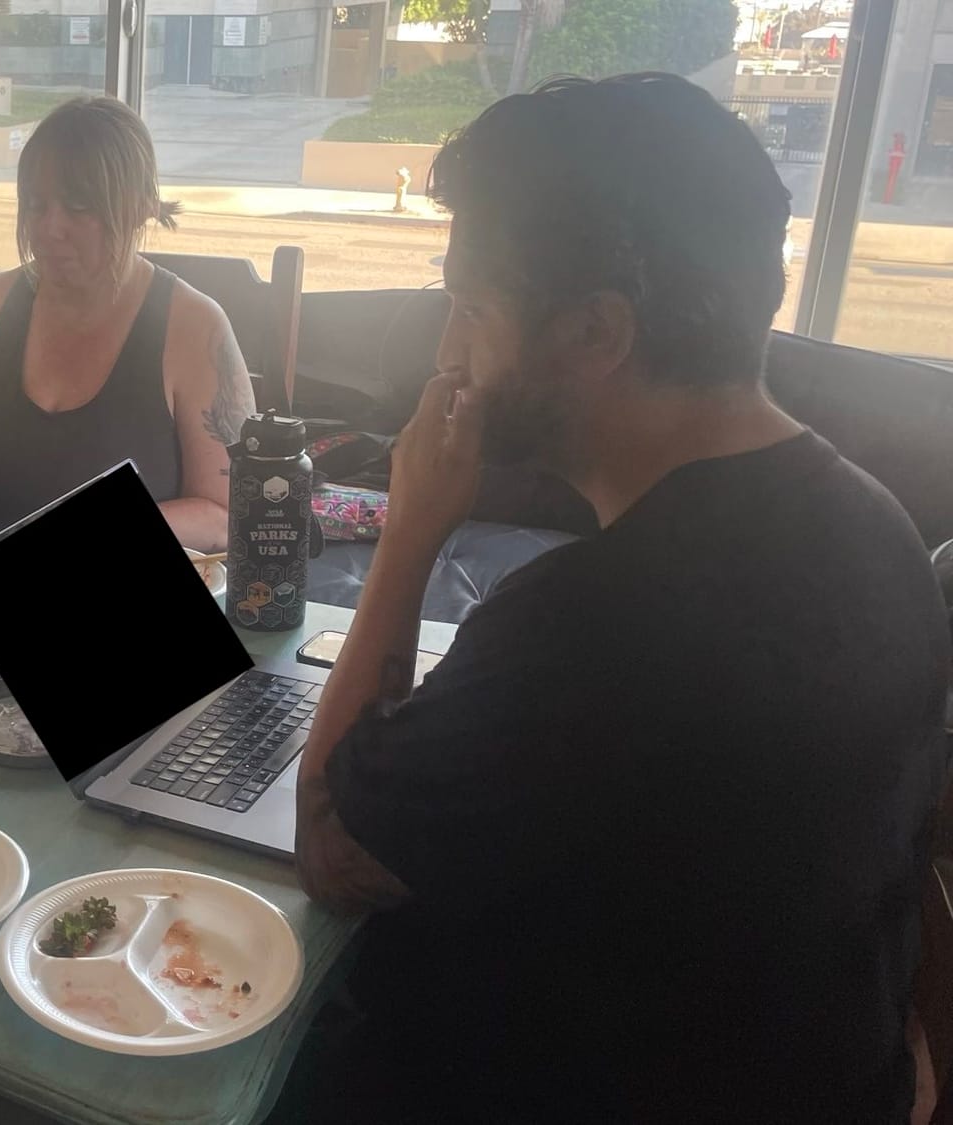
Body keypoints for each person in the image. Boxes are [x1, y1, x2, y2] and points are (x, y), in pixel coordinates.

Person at [288, 75, 950, 1123]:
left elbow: (328, 849)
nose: (443, 354)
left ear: (592, 334)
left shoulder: (587, 629)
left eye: (467, 307)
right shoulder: (883, 536)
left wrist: (409, 535)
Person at [0, 96, 255, 552]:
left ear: (143, 204)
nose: (50, 227)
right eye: (36, 204)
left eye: (79, 205)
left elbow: (227, 517)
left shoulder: (196, 327)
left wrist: (84, 531)